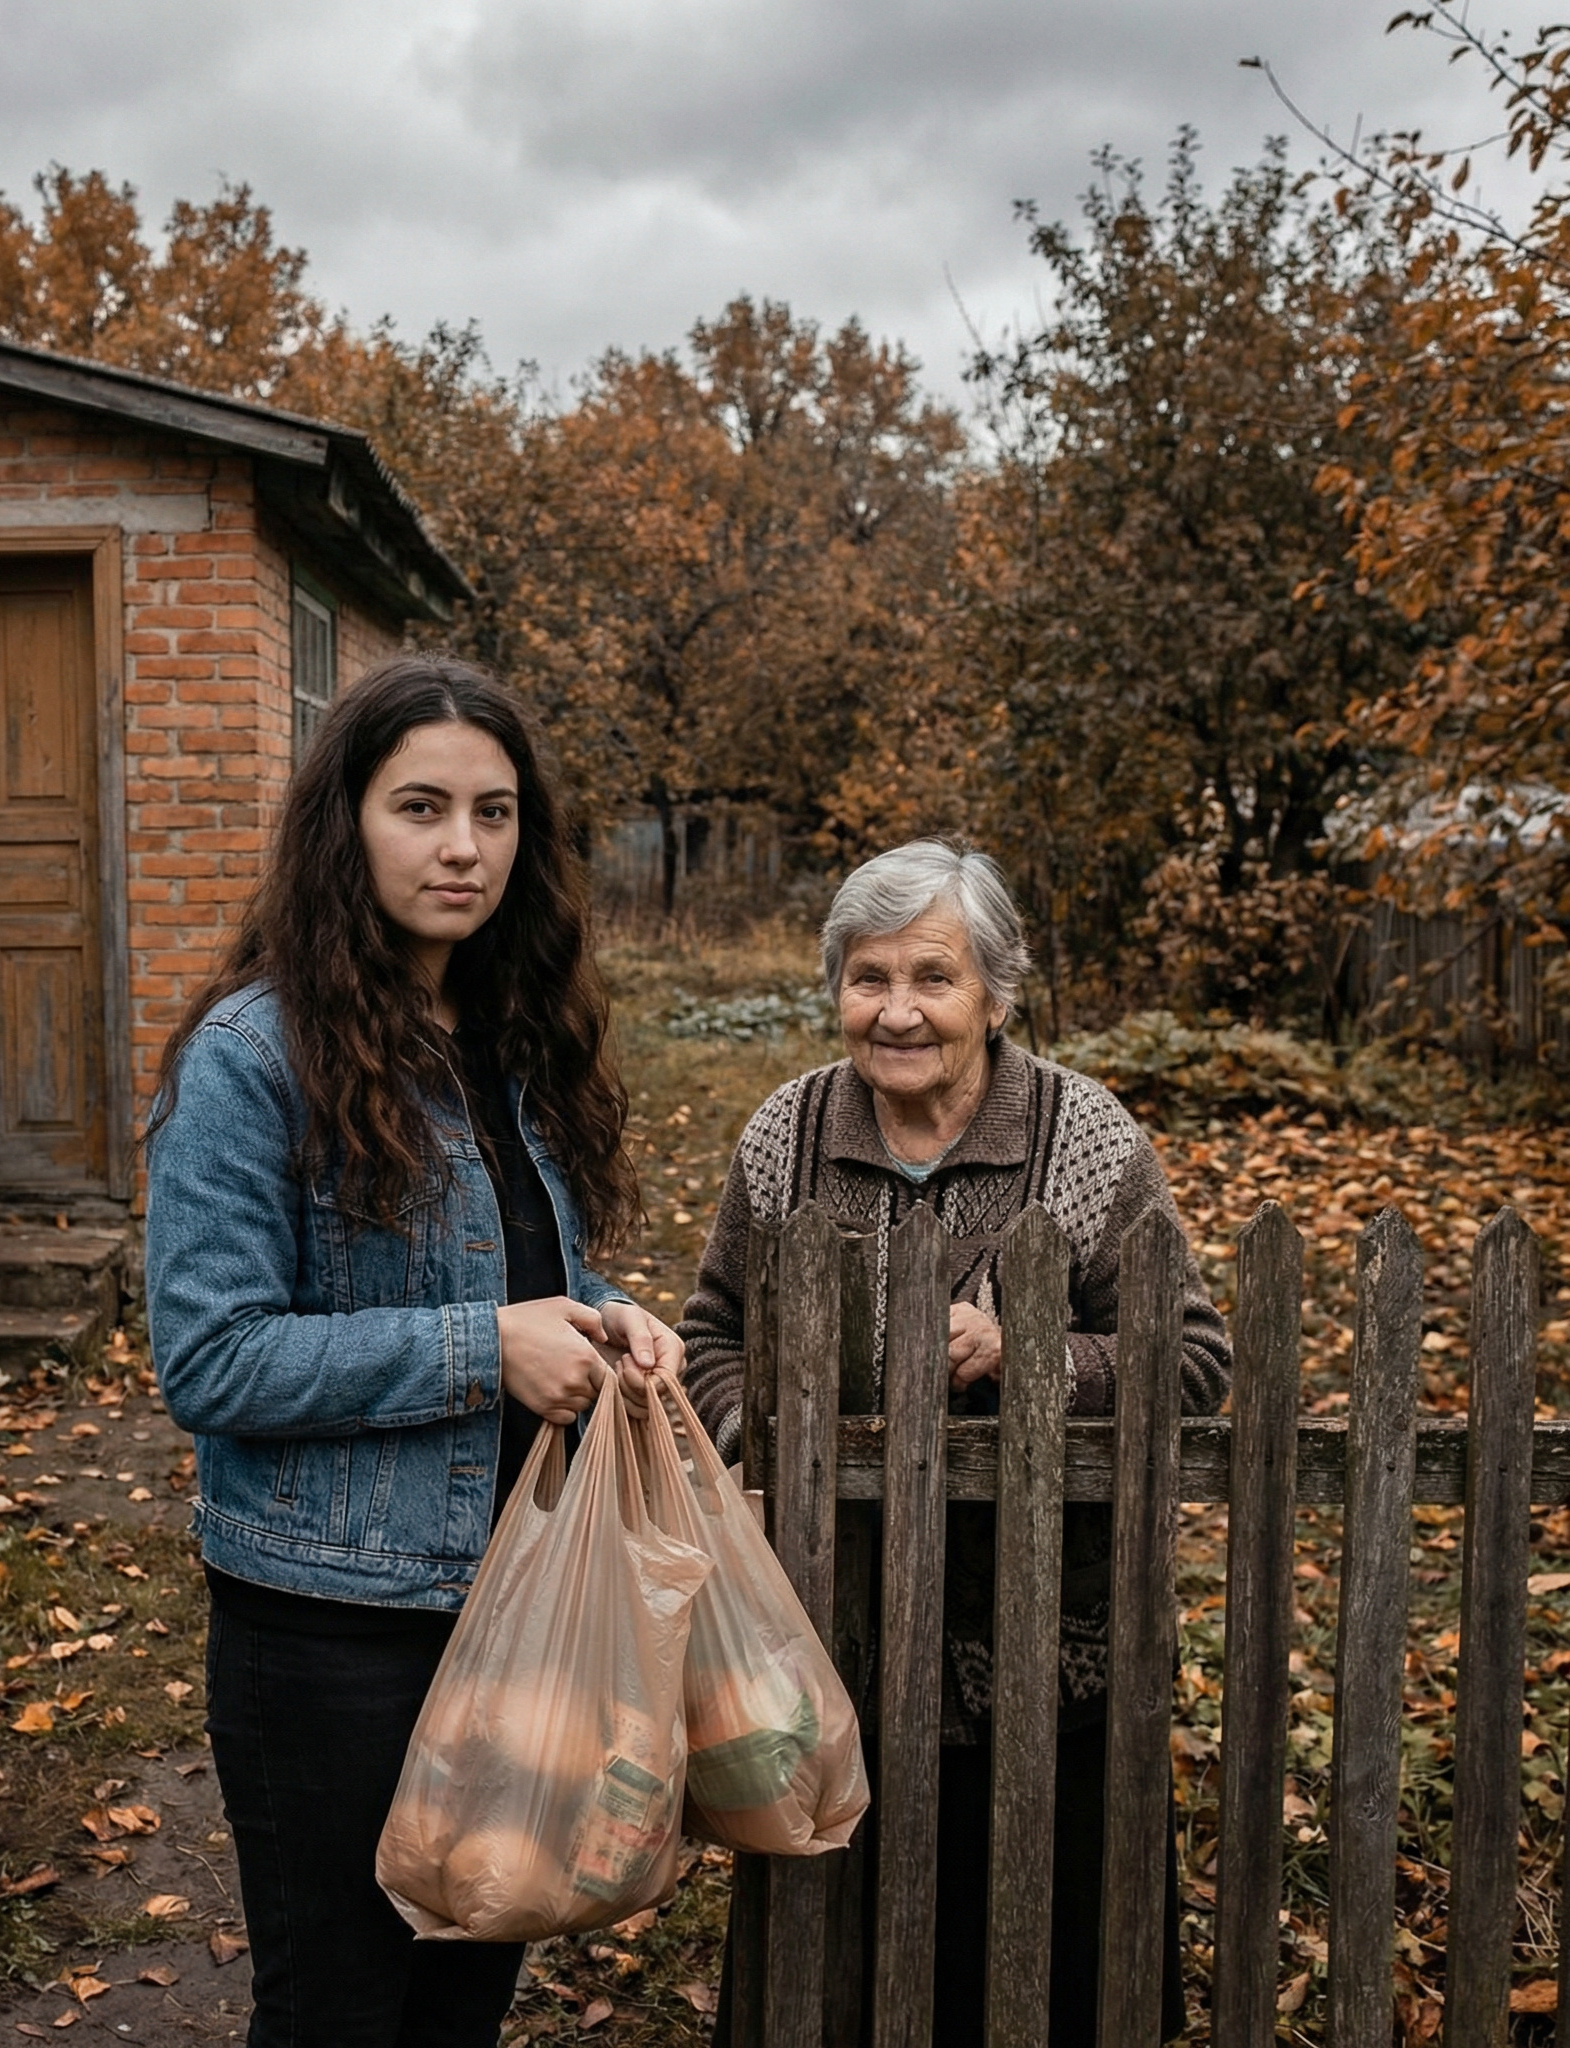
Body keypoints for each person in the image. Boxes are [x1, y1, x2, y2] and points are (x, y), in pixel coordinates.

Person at [145, 652, 680, 2048]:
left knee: (463, 1996)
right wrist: (480, 1351)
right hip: (331, 1632)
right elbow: (212, 1360)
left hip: (509, 1599)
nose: (463, 848)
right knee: (339, 2013)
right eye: (423, 807)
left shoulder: (509, 1036)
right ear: (348, 824)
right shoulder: (254, 1056)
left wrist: (607, 1314)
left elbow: (505, 1268)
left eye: (495, 814)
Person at [679, 839, 1230, 2047]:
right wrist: (758, 1436)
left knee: (1043, 1954)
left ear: (993, 990)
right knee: (832, 1963)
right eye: (865, 977)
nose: (896, 1011)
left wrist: (1032, 1353)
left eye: (932, 976)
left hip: (1045, 1641)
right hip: (831, 1632)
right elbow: (709, 1330)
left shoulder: (1083, 1137)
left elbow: (1191, 1360)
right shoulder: (787, 1132)